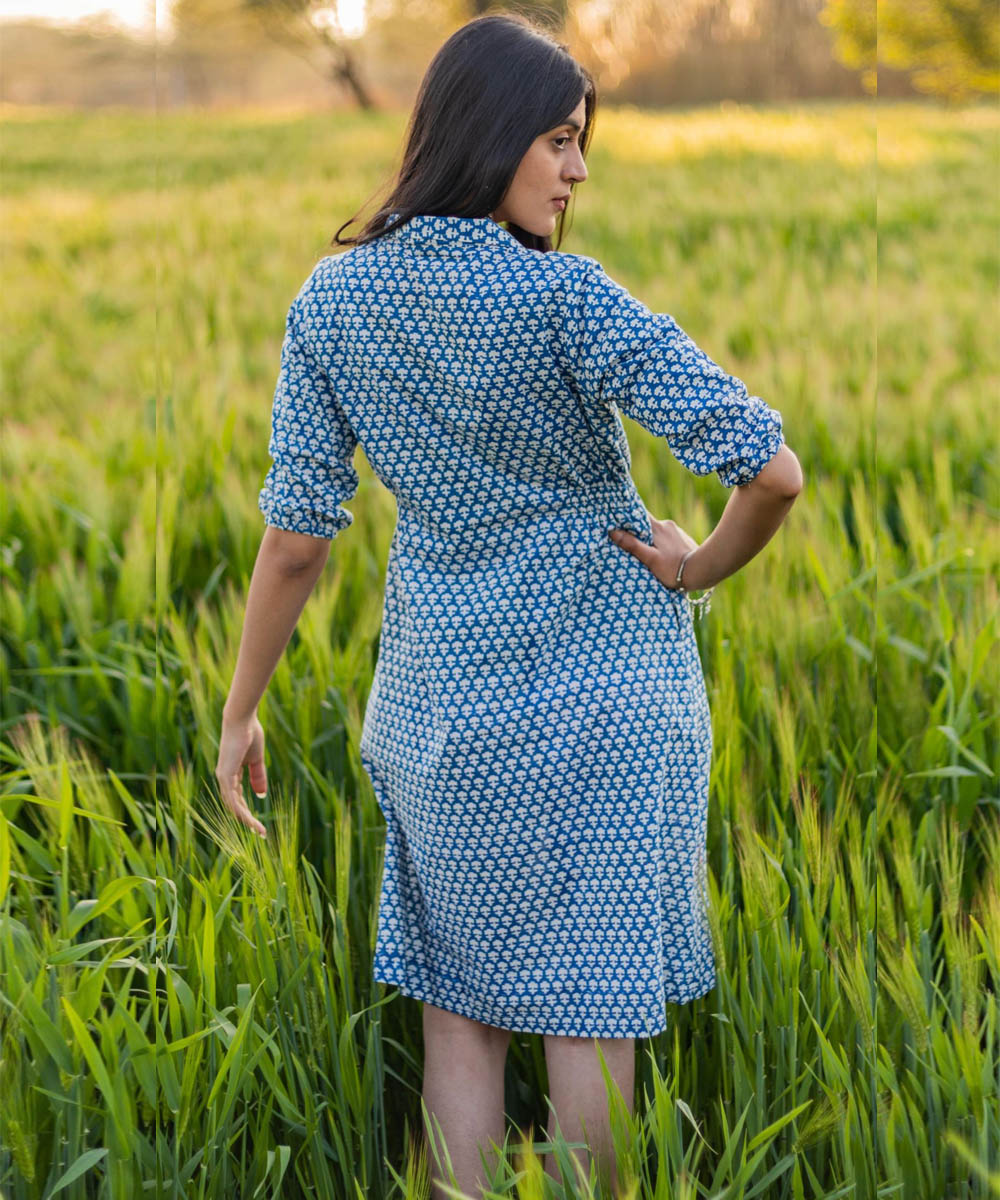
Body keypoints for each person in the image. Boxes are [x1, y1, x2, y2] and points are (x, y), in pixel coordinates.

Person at [216, 12, 803, 1199]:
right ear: (488, 138)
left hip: (447, 711)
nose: (577, 172)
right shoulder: (569, 301)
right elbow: (770, 468)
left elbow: (294, 541)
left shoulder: (331, 306)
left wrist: (240, 711)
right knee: (593, 1016)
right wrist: (690, 567)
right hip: (615, 703)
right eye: (558, 142)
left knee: (459, 1018)